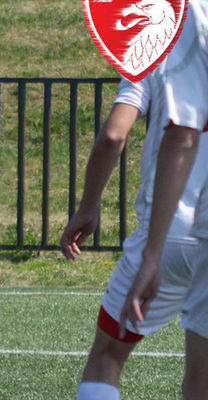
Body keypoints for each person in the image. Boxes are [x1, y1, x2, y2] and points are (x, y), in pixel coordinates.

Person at [61, 3, 208, 399]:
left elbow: (115, 135)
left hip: (171, 232)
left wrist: (88, 207)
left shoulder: (159, 45)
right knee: (201, 380)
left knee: (106, 358)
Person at [116, 1, 208, 398]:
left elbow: (181, 136)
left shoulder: (190, 21)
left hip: (186, 229)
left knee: (107, 357)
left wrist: (151, 255)